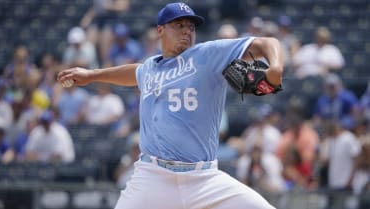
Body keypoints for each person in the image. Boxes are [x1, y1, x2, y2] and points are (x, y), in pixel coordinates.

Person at [58, 2, 284, 209]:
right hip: (152, 176)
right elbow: (133, 73)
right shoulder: (150, 68)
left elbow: (267, 43)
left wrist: (275, 66)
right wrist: (91, 75)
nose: (187, 30)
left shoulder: (207, 54)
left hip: (203, 179)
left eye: (191, 26)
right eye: (179, 25)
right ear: (160, 30)